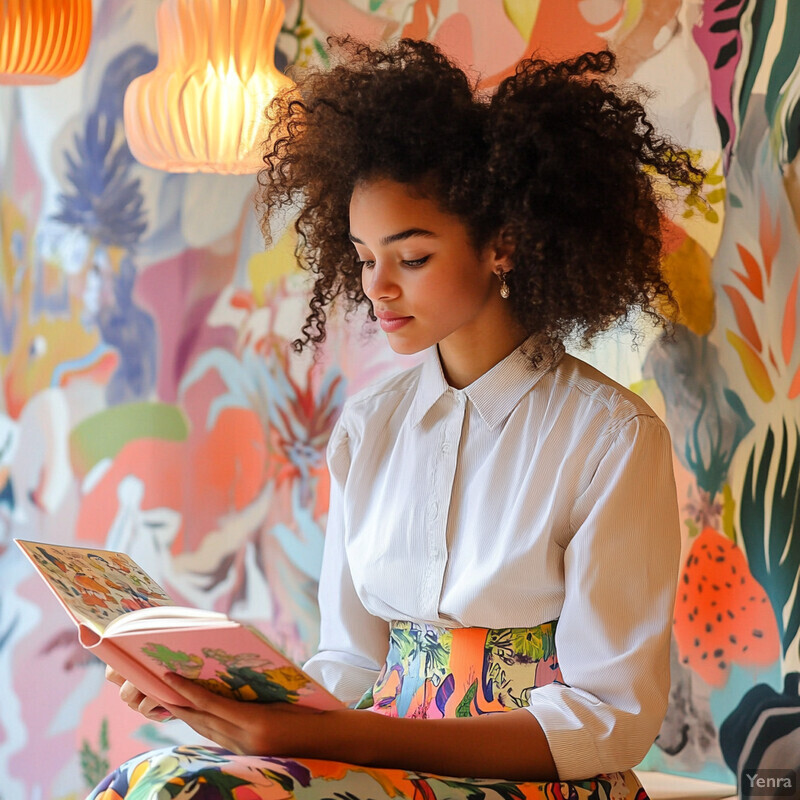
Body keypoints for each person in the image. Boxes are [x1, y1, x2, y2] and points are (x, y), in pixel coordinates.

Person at [89, 37, 704, 800]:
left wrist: (340, 740)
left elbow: (610, 717)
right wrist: (215, 703)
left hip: (536, 778)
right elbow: (348, 665)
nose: (375, 286)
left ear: (503, 246)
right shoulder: (367, 428)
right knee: (150, 776)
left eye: (410, 258)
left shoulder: (610, 437)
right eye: (361, 254)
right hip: (380, 760)